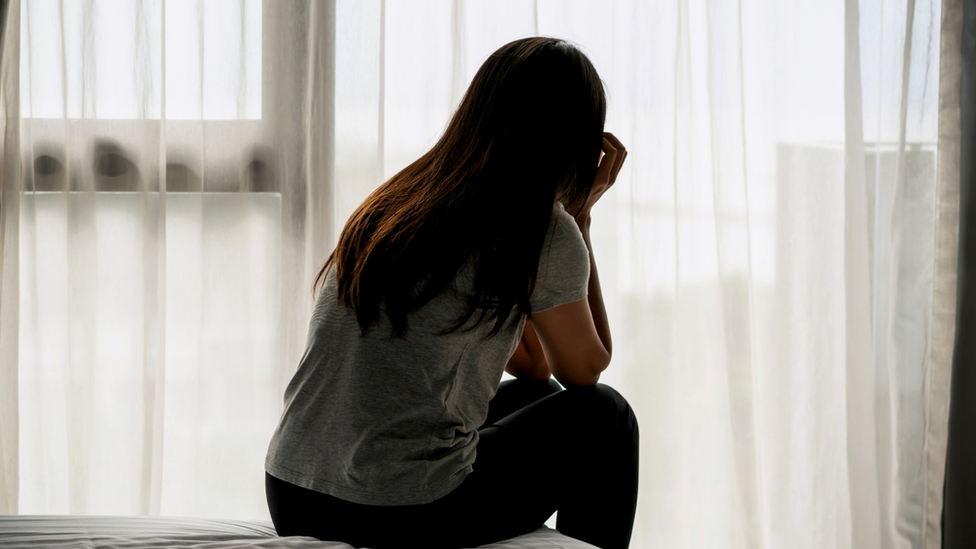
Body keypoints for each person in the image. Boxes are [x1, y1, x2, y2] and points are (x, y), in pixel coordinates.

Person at [264, 36, 639, 549]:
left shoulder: (402, 200)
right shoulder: (544, 228)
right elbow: (587, 370)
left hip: (293, 493)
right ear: (577, 139)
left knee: (537, 397)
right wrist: (580, 220)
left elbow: (535, 369)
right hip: (395, 511)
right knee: (607, 417)